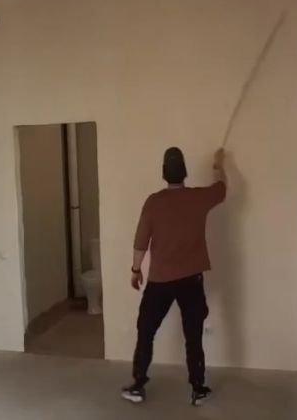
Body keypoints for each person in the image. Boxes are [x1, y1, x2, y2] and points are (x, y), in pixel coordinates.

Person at [121, 146, 227, 406]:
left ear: (164, 173)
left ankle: (138, 385)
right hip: (191, 279)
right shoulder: (199, 198)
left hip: (160, 280)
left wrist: (136, 270)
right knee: (193, 334)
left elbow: (140, 241)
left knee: (146, 330)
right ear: (185, 172)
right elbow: (222, 189)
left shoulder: (154, 202)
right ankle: (198, 388)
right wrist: (218, 165)